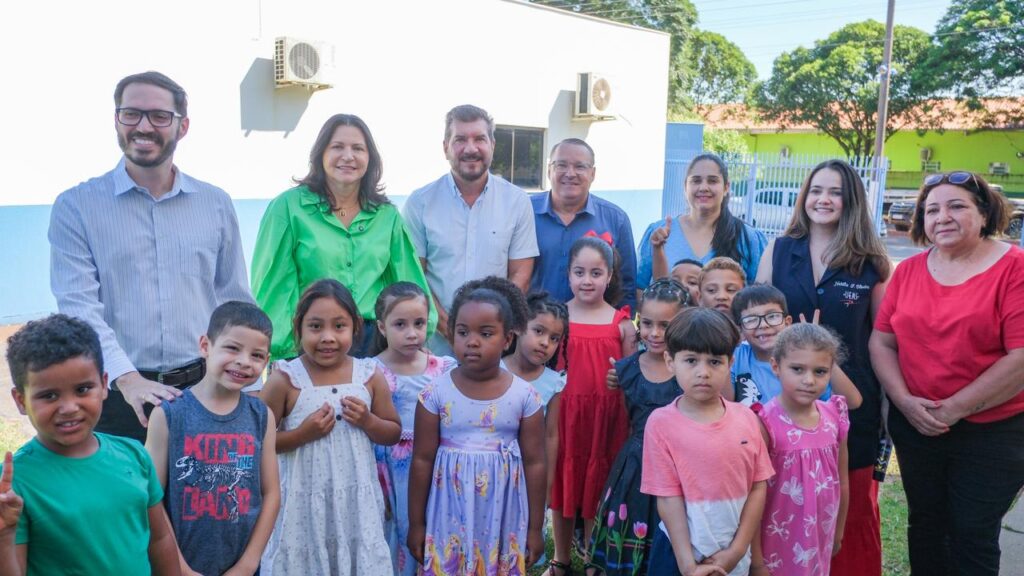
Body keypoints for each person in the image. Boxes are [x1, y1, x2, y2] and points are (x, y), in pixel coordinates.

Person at [48, 71, 252, 443]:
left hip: (203, 390)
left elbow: (233, 299)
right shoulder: (76, 207)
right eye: (131, 114)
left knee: (203, 502)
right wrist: (128, 379)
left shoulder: (215, 203)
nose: (143, 126)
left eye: (159, 116)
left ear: (183, 126)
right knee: (122, 502)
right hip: (113, 396)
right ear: (116, 120)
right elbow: (79, 308)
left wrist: (241, 371)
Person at [869, 171, 1024, 576]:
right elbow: (881, 342)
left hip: (994, 431)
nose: (943, 217)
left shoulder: (1015, 269)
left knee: (971, 533)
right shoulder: (909, 270)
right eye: (932, 209)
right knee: (926, 526)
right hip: (917, 424)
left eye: (957, 206)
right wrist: (903, 402)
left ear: (985, 213)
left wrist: (953, 409)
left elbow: (1021, 357)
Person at [756, 159, 890, 576]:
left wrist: (888, 409)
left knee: (851, 513)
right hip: (783, 408)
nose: (823, 199)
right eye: (816, 190)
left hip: (853, 406)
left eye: (835, 192)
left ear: (850, 200)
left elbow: (884, 340)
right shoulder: (778, 249)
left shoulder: (872, 263)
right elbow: (756, 316)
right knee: (783, 506)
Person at [0, 315, 179, 575]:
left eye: (83, 389)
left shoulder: (135, 455)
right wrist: (4, 537)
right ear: (20, 400)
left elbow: (160, 539)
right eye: (49, 395)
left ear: (104, 385)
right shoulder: (15, 483)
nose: (70, 408)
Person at [252, 114, 434, 361]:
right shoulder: (288, 207)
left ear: (370, 158)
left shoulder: (386, 215)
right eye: (337, 147)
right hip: (309, 342)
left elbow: (407, 280)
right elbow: (273, 284)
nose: (348, 156)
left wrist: (418, 334)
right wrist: (282, 351)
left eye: (358, 148)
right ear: (321, 154)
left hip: (373, 346)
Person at [259, 279, 401, 575]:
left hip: (355, 504)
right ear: (297, 326)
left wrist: (368, 421)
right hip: (303, 505)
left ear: (356, 326)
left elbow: (392, 433)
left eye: (339, 326)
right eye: (315, 327)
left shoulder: (369, 375)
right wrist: (302, 435)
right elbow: (257, 442)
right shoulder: (285, 379)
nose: (327, 337)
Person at [407, 277, 546, 574]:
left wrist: (535, 529)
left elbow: (535, 463)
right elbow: (421, 460)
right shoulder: (434, 394)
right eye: (462, 331)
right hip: (448, 513)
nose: (472, 341)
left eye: (485, 333)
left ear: (508, 339)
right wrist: (417, 524)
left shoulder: (525, 397)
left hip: (502, 513)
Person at [145, 301, 280, 576]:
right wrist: (179, 568)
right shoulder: (169, 415)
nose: (244, 361)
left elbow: (272, 493)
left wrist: (247, 564)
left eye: (256, 355)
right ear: (205, 346)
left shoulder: (261, 416)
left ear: (266, 362)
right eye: (232, 348)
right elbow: (151, 498)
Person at [641, 307, 774, 576]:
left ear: (730, 363)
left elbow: (758, 488)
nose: (703, 372)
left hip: (734, 558)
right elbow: (667, 499)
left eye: (714, 362)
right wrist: (688, 565)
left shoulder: (747, 418)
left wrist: (735, 553)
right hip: (676, 557)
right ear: (670, 361)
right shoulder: (660, 423)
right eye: (691, 360)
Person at [403, 104, 539, 355]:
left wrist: (490, 331)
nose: (470, 148)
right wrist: (450, 330)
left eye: (479, 139)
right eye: (460, 139)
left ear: (493, 145)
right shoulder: (420, 202)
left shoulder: (517, 201)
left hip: (494, 349)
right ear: (445, 147)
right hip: (432, 350)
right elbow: (414, 276)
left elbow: (521, 274)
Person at [587, 278, 688, 576]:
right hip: (634, 467)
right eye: (647, 324)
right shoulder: (626, 368)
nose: (654, 333)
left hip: (678, 465)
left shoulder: (688, 367)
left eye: (665, 326)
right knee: (630, 524)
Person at [550, 236, 637, 573]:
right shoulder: (558, 317)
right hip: (566, 414)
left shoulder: (622, 323)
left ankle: (591, 558)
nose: (587, 280)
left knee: (597, 484)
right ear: (569, 274)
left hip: (606, 415)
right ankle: (560, 556)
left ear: (610, 276)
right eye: (579, 272)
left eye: (596, 273)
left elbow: (631, 375)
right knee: (564, 480)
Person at [751, 324, 851, 576]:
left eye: (820, 371)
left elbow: (842, 480)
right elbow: (752, 495)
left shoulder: (834, 415)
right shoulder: (764, 422)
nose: (809, 380)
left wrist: (838, 531)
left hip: (819, 536)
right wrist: (757, 560)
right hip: (775, 541)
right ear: (776, 367)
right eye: (797, 369)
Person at [371, 282, 457, 576]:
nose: (412, 333)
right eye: (400, 324)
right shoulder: (369, 370)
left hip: (432, 463)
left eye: (419, 323)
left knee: (431, 522)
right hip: (387, 466)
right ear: (382, 327)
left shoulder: (443, 368)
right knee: (392, 525)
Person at [502, 292, 570, 569]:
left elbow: (551, 435)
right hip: (490, 468)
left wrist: (548, 483)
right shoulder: (494, 369)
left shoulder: (553, 383)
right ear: (518, 327)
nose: (545, 343)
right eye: (539, 331)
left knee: (517, 545)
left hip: (528, 474)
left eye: (554, 338)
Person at [639, 153, 767, 298]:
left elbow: (762, 297)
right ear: (685, 186)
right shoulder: (658, 233)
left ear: (726, 187)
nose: (704, 187)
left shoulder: (749, 238)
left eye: (712, 181)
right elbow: (638, 288)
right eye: (696, 181)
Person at [531, 138, 637, 310]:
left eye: (580, 166)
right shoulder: (524, 213)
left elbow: (627, 285)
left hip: (594, 330)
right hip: (535, 328)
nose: (570, 173)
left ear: (593, 174)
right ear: (549, 171)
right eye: (561, 165)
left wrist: (623, 324)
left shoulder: (616, 220)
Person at [728, 284, 862, 409]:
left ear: (788, 323)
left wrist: (821, 351)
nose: (763, 325)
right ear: (740, 330)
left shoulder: (804, 358)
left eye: (773, 316)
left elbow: (852, 402)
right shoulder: (736, 356)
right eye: (751, 320)